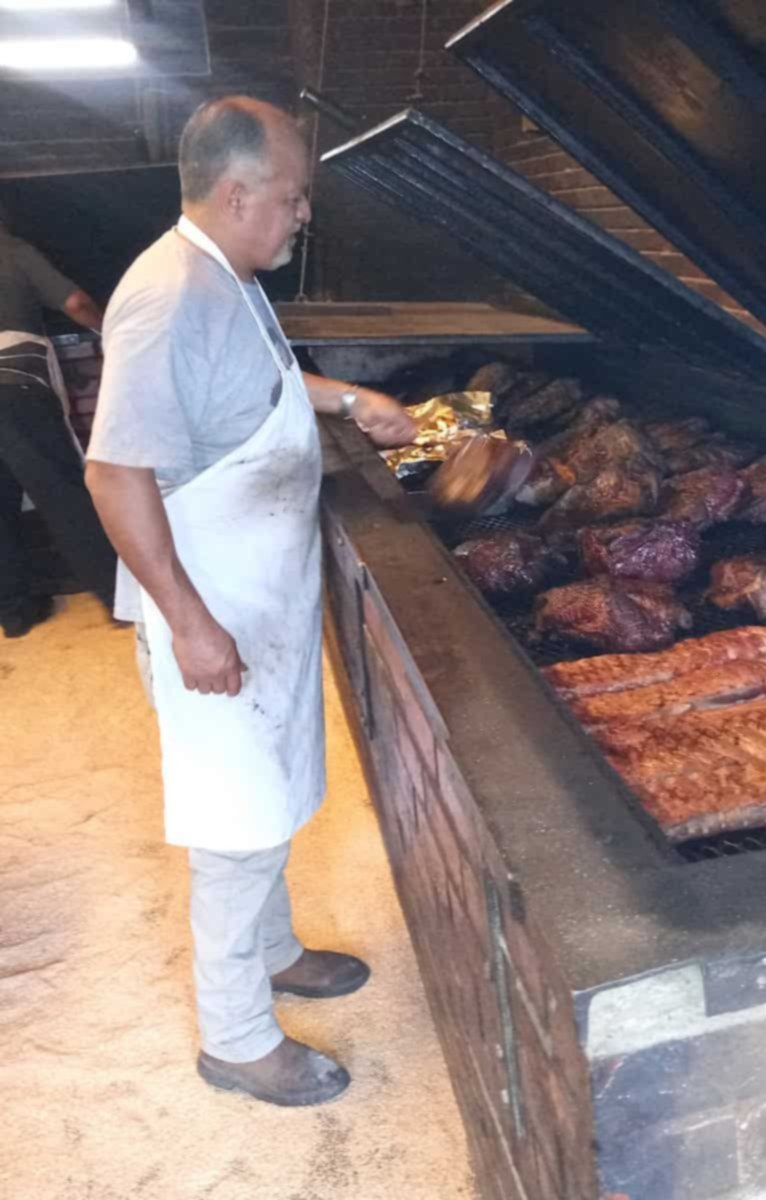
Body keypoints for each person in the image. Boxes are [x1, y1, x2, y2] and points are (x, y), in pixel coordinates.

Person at [84, 96, 417, 1107]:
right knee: (235, 824)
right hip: (212, 608)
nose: (301, 215)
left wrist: (353, 400)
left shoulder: (225, 279)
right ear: (236, 194)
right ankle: (234, 1040)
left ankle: (274, 952)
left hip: (254, 603)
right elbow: (113, 474)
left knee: (270, 795)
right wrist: (188, 622)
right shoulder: (170, 295)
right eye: (291, 197)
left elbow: (267, 386)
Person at [0, 209, 115, 637]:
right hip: (15, 385)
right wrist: (112, 331)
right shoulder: (13, 251)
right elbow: (74, 302)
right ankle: (115, 596)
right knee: (63, 491)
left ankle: (15, 612)